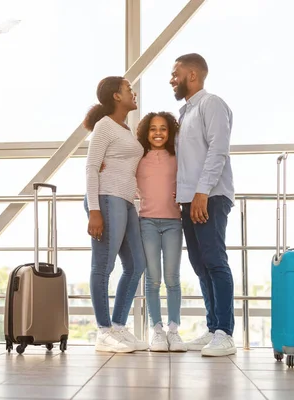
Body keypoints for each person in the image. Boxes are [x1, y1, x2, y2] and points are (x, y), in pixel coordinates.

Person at [170, 53, 236, 356]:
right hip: (189, 200)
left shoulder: (212, 104)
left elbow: (218, 150)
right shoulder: (185, 114)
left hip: (210, 197)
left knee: (214, 261)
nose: (172, 79)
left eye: (176, 74)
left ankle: (225, 333)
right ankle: (212, 329)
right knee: (200, 265)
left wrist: (202, 193)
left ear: (192, 75)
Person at [83, 76, 148, 353]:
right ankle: (103, 331)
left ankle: (119, 327)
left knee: (136, 265)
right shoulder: (105, 126)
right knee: (103, 266)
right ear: (116, 96)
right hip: (106, 201)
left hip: (125, 202)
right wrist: (95, 211)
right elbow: (91, 167)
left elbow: (123, 167)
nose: (133, 93)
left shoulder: (124, 128)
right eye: (128, 89)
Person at [135, 111, 187, 352]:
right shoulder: (139, 157)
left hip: (173, 222)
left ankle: (174, 330)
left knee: (172, 278)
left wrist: (183, 194)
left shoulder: (177, 157)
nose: (158, 133)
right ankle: (156, 331)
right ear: (146, 132)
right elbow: (123, 173)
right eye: (153, 129)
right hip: (147, 222)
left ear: (170, 132)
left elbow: (189, 179)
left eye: (163, 128)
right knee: (153, 279)